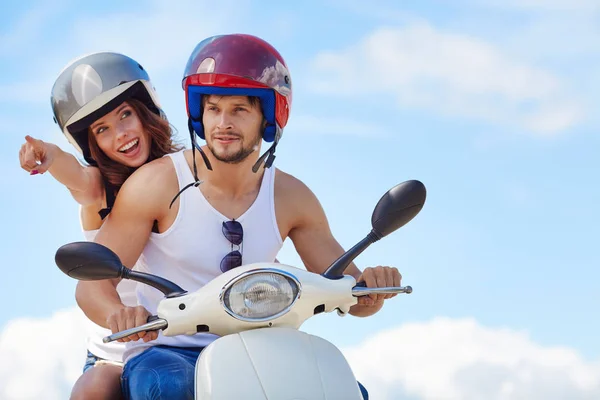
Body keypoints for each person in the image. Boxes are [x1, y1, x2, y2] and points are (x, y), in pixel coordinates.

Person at [76, 34, 400, 399]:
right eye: (212, 109)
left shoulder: (292, 197)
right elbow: (92, 285)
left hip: (264, 346)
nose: (222, 124)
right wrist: (120, 314)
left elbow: (349, 290)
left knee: (343, 389)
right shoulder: (155, 184)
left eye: (239, 110)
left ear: (267, 117)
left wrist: (371, 288)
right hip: (169, 349)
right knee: (167, 388)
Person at [19, 52, 182, 399]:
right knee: (93, 390)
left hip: (186, 337)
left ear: (146, 112)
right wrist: (49, 156)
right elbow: (76, 176)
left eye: (125, 115)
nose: (121, 134)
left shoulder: (184, 174)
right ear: (89, 143)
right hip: (123, 344)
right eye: (102, 129)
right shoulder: (99, 190)